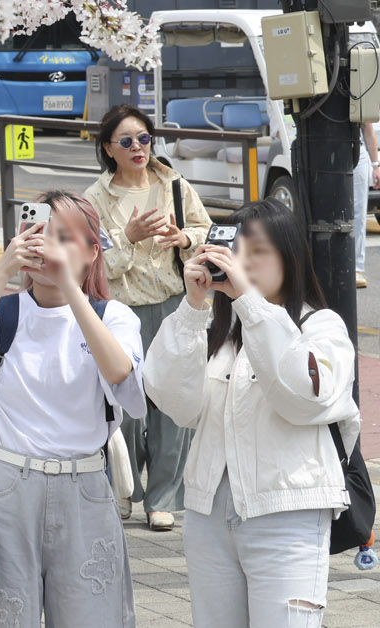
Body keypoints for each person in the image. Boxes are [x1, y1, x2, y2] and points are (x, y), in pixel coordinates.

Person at [142, 201, 360, 628]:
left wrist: (250, 303)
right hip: (208, 514)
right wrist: (193, 305)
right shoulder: (216, 332)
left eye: (258, 251)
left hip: (287, 512)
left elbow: (304, 397)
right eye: (234, 251)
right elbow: (172, 401)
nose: (242, 263)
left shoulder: (321, 327)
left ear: (289, 257)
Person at [0, 192, 144, 628]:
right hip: (7, 484)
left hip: (85, 484)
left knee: (92, 617)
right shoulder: (0, 313)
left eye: (63, 237)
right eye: (36, 233)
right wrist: (0, 274)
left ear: (93, 251)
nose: (46, 246)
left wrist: (70, 287)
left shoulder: (114, 316)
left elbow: (119, 373)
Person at [81, 103, 212, 531]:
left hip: (173, 304)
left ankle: (163, 498)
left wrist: (184, 237)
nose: (138, 147)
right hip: (121, 311)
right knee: (125, 406)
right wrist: (129, 238)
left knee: (173, 405)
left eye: (144, 138)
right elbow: (92, 263)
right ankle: (123, 490)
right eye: (126, 141)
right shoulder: (95, 199)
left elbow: (206, 230)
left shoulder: (173, 184)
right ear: (108, 149)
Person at [357, 119, 376, 288]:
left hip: (356, 150)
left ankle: (356, 267)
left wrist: (376, 166)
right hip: (323, 149)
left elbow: (368, 130)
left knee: (358, 213)